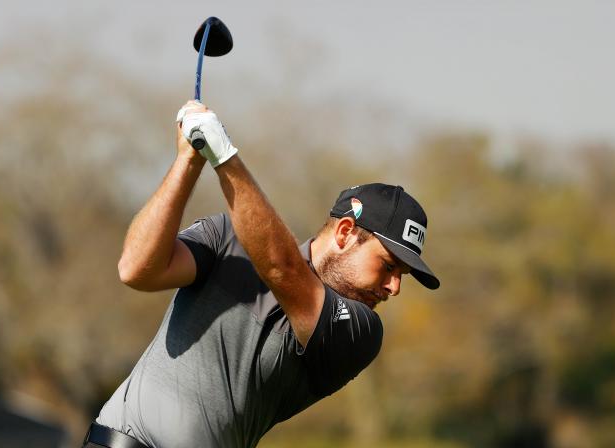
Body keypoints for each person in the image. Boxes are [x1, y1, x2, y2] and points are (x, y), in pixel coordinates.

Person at [82, 101, 440, 448]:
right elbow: (136, 268)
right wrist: (188, 160)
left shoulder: (360, 332)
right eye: (389, 266)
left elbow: (281, 270)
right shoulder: (225, 239)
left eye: (403, 275)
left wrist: (223, 156)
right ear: (345, 233)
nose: (394, 287)